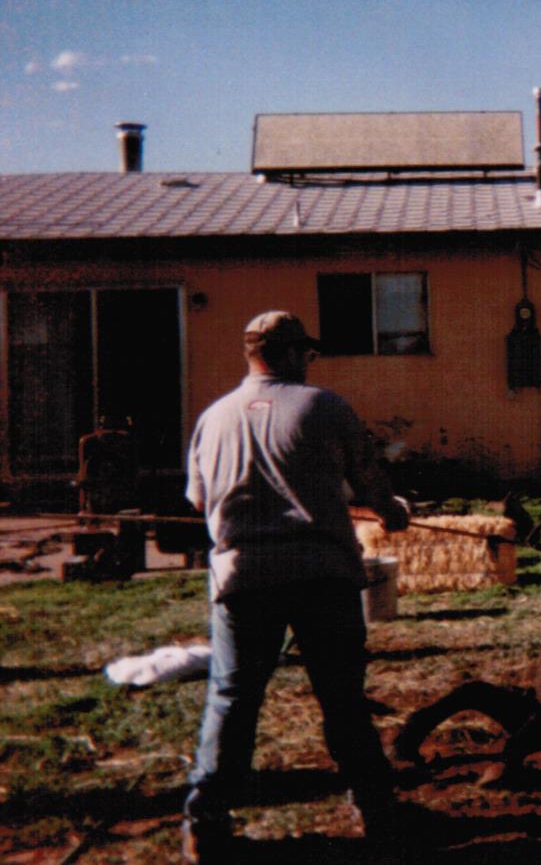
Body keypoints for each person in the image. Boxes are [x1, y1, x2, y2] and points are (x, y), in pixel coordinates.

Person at [181, 312, 411, 863]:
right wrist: (392, 510)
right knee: (341, 697)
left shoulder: (214, 417)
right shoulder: (324, 406)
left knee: (232, 698)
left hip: (242, 576)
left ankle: (206, 821)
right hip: (320, 573)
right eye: (306, 353)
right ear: (288, 354)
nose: (309, 363)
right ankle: (377, 810)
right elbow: (370, 482)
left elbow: (197, 499)